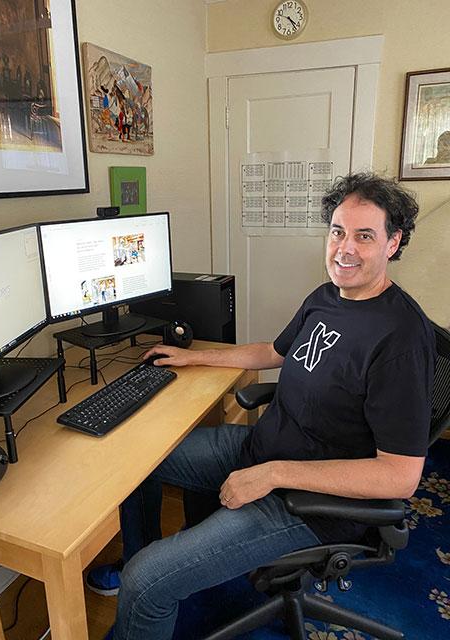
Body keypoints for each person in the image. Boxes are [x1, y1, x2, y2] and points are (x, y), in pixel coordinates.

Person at [87, 172, 435, 640]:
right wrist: (194, 357)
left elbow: (400, 476)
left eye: (364, 236)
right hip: (263, 448)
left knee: (147, 582)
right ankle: (143, 561)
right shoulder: (327, 296)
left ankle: (147, 580)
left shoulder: (401, 339)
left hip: (310, 505)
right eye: (337, 232)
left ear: (393, 242)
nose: (344, 249)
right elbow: (274, 351)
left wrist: (272, 474)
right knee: (136, 463)